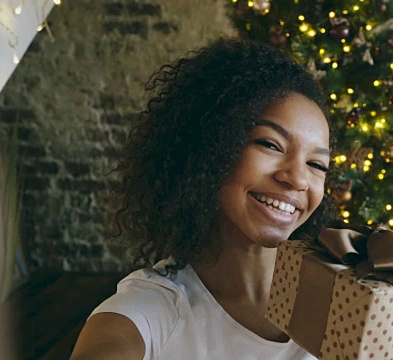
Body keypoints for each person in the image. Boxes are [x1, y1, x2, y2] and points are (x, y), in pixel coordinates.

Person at [70, 39, 337, 360]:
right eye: (270, 144)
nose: (297, 179)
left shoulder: (337, 306)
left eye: (317, 164)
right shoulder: (154, 308)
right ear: (211, 146)